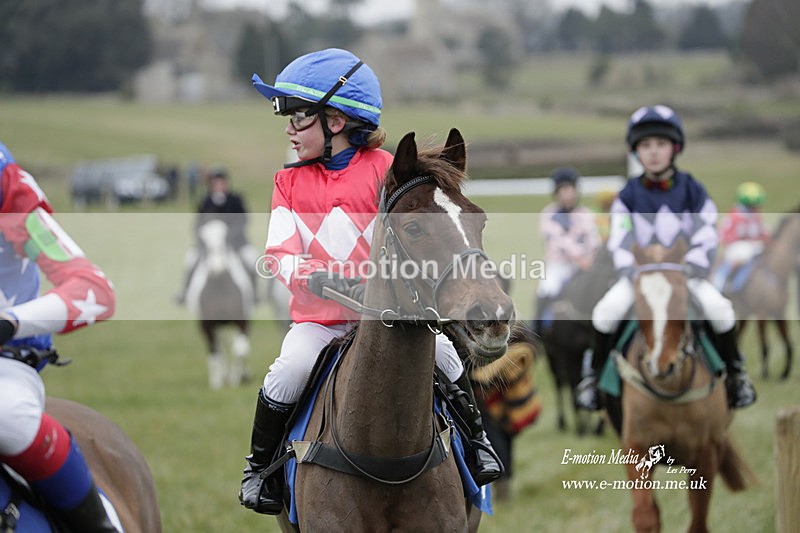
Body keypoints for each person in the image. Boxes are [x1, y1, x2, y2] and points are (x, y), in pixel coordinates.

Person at [238, 48, 503, 515]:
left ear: (336, 120)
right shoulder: (288, 182)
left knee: (445, 356)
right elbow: (277, 255)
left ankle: (477, 443)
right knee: (287, 371)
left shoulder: (385, 170)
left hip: (387, 315)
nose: (289, 129)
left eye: (299, 117)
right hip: (319, 323)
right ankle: (260, 470)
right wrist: (316, 277)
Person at [575, 105, 756, 411]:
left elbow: (707, 231)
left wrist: (695, 264)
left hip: (685, 275)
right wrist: (631, 269)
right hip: (640, 277)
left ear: (675, 148)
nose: (653, 152)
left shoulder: (692, 189)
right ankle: (592, 381)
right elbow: (620, 237)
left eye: (660, 144)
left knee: (720, 309)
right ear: (636, 152)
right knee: (605, 312)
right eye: (645, 146)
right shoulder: (628, 195)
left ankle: (737, 376)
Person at [0, 142, 118, 531]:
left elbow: (93, 290)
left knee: (9, 418)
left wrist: (11, 321)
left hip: (5, 365)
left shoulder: (9, 188)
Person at [176, 168, 259, 305]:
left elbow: (243, 220)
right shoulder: (205, 201)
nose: (220, 186)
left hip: (236, 244)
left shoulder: (236, 199)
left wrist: (228, 236)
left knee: (252, 260)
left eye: (222, 182)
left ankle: (254, 295)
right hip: (210, 246)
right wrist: (207, 239)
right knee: (190, 260)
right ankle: (184, 293)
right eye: (216, 183)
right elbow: (197, 225)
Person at [532, 167, 600, 334]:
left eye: (570, 189)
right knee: (546, 290)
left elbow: (593, 240)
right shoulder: (549, 213)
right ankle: (538, 333)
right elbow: (559, 241)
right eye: (563, 190)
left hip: (585, 266)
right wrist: (580, 258)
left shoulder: (586, 214)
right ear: (557, 193)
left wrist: (591, 258)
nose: (568, 194)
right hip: (559, 264)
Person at [711, 181, 770, 291]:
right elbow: (723, 234)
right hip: (736, 249)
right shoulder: (734, 217)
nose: (757, 208)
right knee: (737, 259)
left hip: (754, 248)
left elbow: (764, 233)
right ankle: (719, 284)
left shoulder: (756, 217)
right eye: (754, 206)